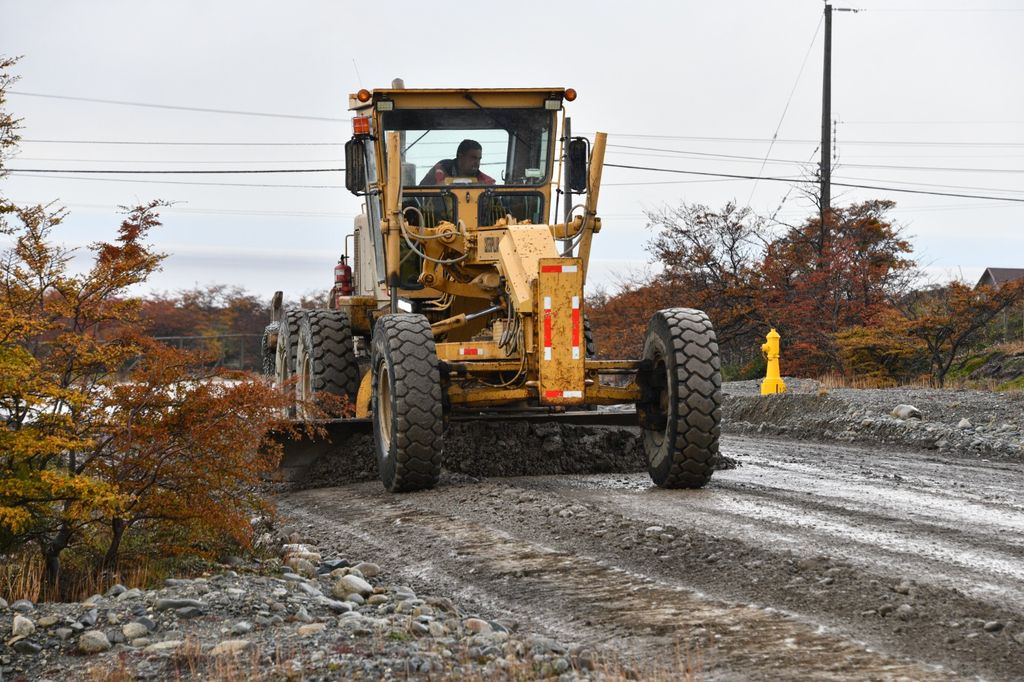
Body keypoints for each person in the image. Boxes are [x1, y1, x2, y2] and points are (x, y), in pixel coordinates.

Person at [419, 139, 496, 185]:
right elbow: (420, 194)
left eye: (479, 159)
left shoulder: (486, 182)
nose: (477, 162)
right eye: (473, 158)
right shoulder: (440, 169)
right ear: (461, 156)